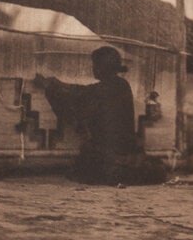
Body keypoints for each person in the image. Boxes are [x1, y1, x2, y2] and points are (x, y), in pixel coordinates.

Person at [34, 46, 167, 186]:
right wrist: (59, 83)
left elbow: (80, 95)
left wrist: (49, 87)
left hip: (109, 154)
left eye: (95, 65)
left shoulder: (102, 90)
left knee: (85, 169)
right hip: (127, 150)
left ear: (102, 67)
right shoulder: (122, 85)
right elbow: (84, 91)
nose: (93, 68)